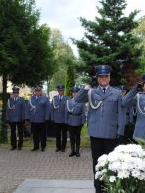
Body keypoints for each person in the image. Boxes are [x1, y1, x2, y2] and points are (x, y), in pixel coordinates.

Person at [74, 65, 124, 193]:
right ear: (97, 78)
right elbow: (77, 100)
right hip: (95, 133)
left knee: (110, 164)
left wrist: (120, 132)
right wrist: (87, 86)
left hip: (111, 134)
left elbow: (121, 113)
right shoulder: (91, 92)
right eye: (100, 76)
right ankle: (98, 189)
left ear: (109, 77)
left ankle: (109, 188)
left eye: (106, 76)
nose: (103, 78)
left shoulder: (117, 93)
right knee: (96, 163)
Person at [25, 86, 51, 152]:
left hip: (42, 120)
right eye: (36, 91)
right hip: (33, 120)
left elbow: (48, 109)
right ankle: (36, 146)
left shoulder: (45, 98)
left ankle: (43, 147)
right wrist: (28, 118)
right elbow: (28, 108)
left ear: (41, 91)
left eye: (39, 91)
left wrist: (47, 118)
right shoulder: (31, 98)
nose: (37, 92)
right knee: (35, 134)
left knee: (43, 134)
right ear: (35, 92)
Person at [65, 87, 86, 157]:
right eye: (74, 93)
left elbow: (83, 113)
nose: (75, 94)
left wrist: (83, 122)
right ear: (72, 93)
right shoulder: (69, 101)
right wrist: (66, 121)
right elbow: (66, 113)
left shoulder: (82, 102)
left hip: (78, 121)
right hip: (70, 121)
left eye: (76, 92)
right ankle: (72, 150)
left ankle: (77, 151)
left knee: (77, 137)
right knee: (71, 137)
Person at [51, 85, 69, 152]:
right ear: (58, 91)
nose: (61, 91)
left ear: (64, 91)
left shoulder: (67, 98)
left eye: (62, 90)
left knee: (64, 135)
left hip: (64, 120)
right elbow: (52, 109)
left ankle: (63, 147)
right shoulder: (54, 98)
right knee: (57, 135)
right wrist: (52, 118)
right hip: (56, 120)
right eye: (60, 90)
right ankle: (58, 147)